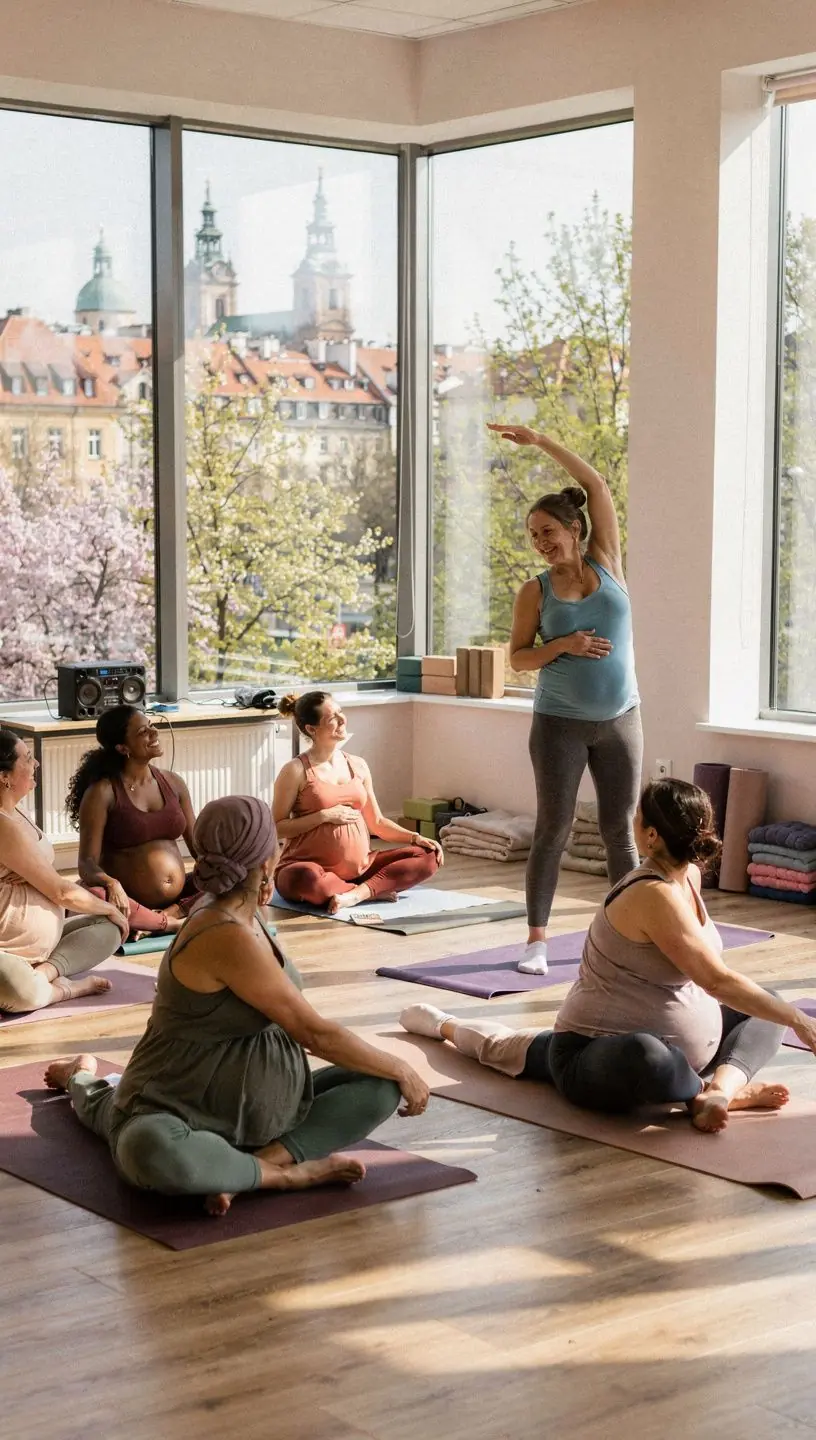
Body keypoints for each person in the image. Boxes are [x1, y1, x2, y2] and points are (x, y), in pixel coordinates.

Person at [45, 795, 430, 1214]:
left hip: (274, 1112)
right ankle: (284, 1174)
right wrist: (404, 1067)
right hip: (178, 1107)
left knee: (379, 1083)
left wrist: (394, 1071)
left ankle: (253, 1166)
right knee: (144, 1144)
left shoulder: (248, 912)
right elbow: (315, 1034)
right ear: (265, 862)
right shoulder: (221, 931)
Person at [400, 779, 816, 1134]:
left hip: (680, 1060)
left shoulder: (688, 876)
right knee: (637, 1052)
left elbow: (715, 982)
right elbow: (716, 980)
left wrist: (790, 1016)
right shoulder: (649, 892)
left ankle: (717, 1092)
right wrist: (800, 1020)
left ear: (651, 835)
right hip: (594, 1055)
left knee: (769, 1005)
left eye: (637, 816)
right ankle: (444, 1025)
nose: (632, 822)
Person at [487, 423, 642, 975]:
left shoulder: (607, 560)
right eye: (533, 535)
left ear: (575, 529)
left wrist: (540, 442)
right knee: (553, 830)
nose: (541, 541)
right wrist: (564, 645)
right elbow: (518, 658)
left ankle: (631, 936)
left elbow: (596, 483)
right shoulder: (535, 590)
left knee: (619, 831)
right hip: (559, 723)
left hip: (621, 718)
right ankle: (536, 942)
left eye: (548, 530)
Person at [273, 691, 442, 913]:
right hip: (308, 869)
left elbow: (377, 823)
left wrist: (415, 837)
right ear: (311, 729)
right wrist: (323, 816)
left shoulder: (358, 765)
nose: (342, 719)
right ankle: (371, 890)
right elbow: (276, 828)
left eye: (340, 712)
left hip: (361, 868)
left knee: (428, 856)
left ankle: (355, 895)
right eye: (332, 717)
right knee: (305, 879)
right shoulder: (295, 770)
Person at [0, 728, 128, 1013]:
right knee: (22, 993)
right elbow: (60, 892)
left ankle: (46, 972)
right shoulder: (2, 825)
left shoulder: (17, 811)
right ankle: (64, 988)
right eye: (27, 758)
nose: (36, 763)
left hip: (38, 948)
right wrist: (110, 907)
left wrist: (108, 912)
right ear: (4, 776)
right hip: (5, 951)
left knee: (110, 928)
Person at [67, 706, 199, 938]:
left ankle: (166, 917)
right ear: (122, 747)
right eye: (143, 732)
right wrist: (111, 884)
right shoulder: (103, 792)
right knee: (94, 895)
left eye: (151, 726)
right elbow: (87, 864)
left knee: (233, 878)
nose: (154, 733)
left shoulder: (174, 783)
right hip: (127, 901)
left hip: (177, 900)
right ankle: (163, 922)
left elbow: (199, 848)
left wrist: (226, 868)